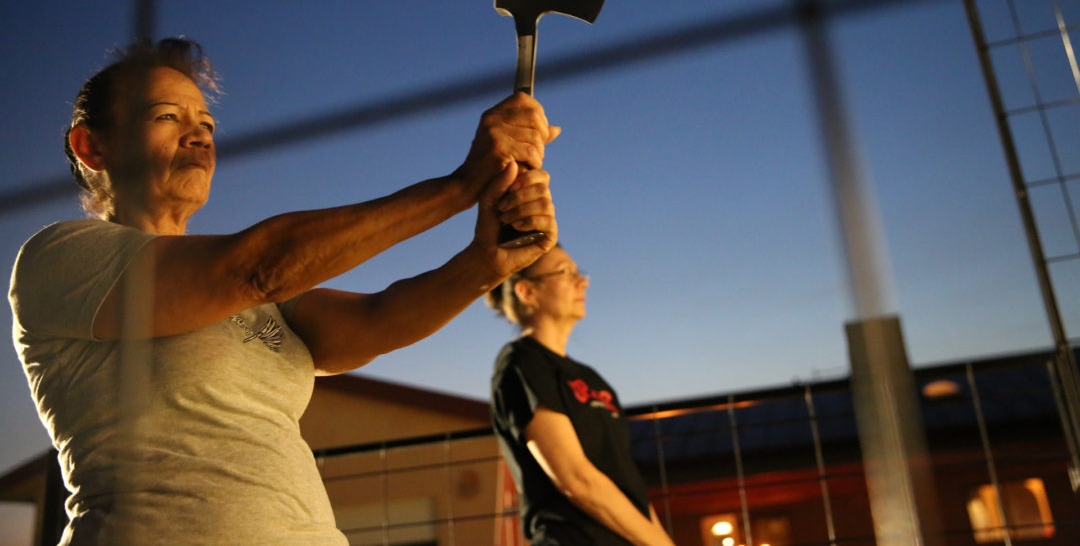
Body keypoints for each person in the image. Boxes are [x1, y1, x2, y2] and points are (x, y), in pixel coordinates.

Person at [8, 37, 559, 544]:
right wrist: (460, 187)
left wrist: (485, 261)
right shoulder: (60, 257)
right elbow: (256, 267)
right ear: (92, 147)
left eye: (207, 122)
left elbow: (375, 321)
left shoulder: (253, 290)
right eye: (167, 116)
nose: (199, 133)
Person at [487, 245, 676, 546]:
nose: (582, 281)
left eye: (578, 272)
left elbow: (626, 480)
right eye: (565, 272)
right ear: (527, 292)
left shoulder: (590, 378)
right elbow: (575, 479)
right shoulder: (521, 364)